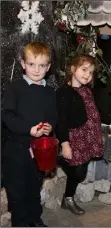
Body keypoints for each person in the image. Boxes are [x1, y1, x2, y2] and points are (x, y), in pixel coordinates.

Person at [56, 54, 111, 216]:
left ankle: (68, 199)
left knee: (83, 168)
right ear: (72, 69)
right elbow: (61, 120)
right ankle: (58, 160)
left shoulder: (87, 90)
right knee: (78, 172)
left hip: (89, 136)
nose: (87, 75)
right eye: (84, 69)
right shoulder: (64, 92)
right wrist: (64, 144)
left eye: (91, 72)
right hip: (75, 137)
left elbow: (96, 110)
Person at [2, 42, 57, 227]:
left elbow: (53, 115)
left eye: (42, 65)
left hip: (39, 151)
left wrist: (50, 127)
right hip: (16, 149)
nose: (36, 69)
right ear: (23, 63)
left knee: (35, 186)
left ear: (48, 67)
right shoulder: (14, 88)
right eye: (32, 64)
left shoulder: (49, 92)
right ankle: (19, 222)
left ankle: (34, 218)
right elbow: (7, 116)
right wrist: (29, 129)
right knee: (17, 189)